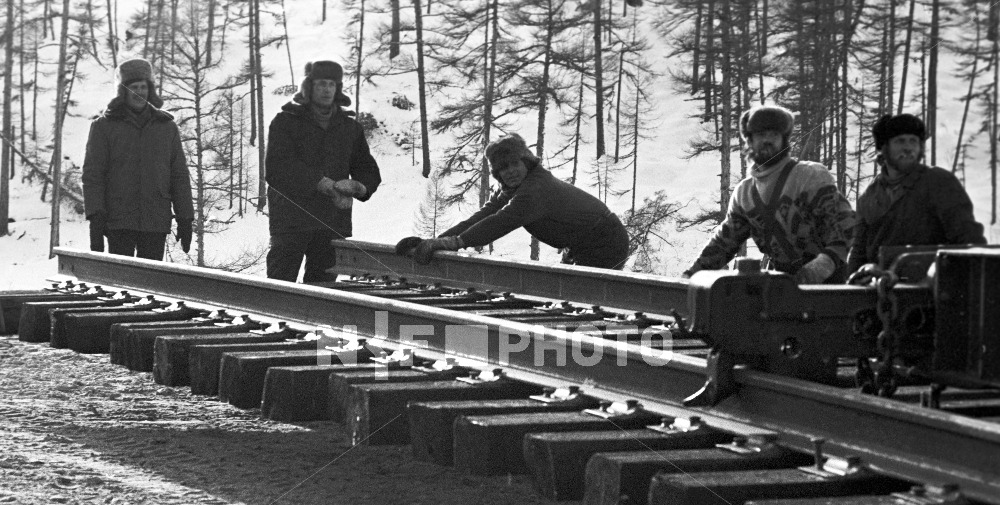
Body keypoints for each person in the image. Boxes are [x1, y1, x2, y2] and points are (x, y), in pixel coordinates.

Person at [396, 134, 629, 269]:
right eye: (502, 169)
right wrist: (436, 241)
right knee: (570, 295)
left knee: (585, 300)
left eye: (514, 164)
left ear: (525, 162)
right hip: (581, 244)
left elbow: (500, 222)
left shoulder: (536, 188)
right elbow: (483, 216)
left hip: (605, 241)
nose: (510, 172)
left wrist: (449, 243)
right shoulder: (512, 188)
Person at [682, 104, 855, 284]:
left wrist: (823, 265)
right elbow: (722, 244)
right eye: (760, 135)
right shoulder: (745, 194)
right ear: (749, 141)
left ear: (784, 139)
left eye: (774, 134)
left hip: (828, 288)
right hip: (781, 288)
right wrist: (690, 276)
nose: (767, 140)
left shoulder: (808, 177)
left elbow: (846, 223)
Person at [264, 60, 381, 283]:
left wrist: (358, 186)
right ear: (308, 87)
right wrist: (320, 183)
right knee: (280, 288)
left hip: (332, 221)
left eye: (332, 84)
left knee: (323, 294)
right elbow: (277, 169)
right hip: (291, 222)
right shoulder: (285, 122)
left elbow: (367, 168)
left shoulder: (350, 128)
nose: (327, 90)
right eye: (321, 84)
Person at [846, 113, 985, 277]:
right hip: (881, 290)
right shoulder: (868, 197)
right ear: (884, 148)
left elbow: (969, 242)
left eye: (913, 141)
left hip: (930, 289)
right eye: (900, 141)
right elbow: (858, 252)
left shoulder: (938, 182)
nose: (908, 147)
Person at [83, 58, 194, 259]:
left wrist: (185, 218)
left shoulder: (166, 127)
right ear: (123, 91)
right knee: (119, 285)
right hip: (118, 221)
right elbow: (93, 176)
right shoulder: (103, 127)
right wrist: (96, 218)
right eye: (133, 87)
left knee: (150, 285)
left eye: (143, 87)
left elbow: (179, 176)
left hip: (155, 221)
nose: (139, 92)